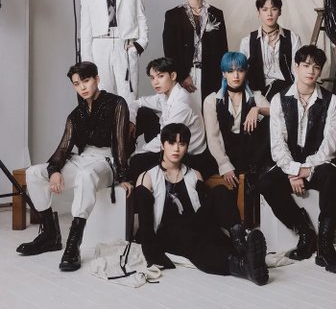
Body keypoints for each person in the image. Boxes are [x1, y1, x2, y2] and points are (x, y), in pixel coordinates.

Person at [16, 62, 133, 271]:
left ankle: (73, 244)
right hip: (82, 159)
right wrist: (54, 171)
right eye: (77, 84)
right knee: (34, 173)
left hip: (107, 161)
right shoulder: (76, 115)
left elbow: (120, 142)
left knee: (86, 175)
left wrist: (124, 176)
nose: (82, 87)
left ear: (97, 79)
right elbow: (64, 147)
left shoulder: (117, 103)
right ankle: (50, 235)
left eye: (86, 81)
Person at [135, 123, 269, 285]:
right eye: (171, 143)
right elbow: (145, 224)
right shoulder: (147, 177)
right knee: (194, 241)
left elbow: (206, 211)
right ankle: (242, 265)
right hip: (168, 232)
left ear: (186, 147)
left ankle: (241, 244)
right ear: (162, 145)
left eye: (181, 143)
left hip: (194, 225)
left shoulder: (194, 174)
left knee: (220, 191)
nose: (176, 148)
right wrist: (152, 255)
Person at [256, 45, 336, 274]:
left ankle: (325, 246)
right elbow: (277, 144)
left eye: (316, 67)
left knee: (332, 176)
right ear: (296, 67)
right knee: (266, 182)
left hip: (318, 164)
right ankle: (305, 231)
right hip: (289, 164)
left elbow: (331, 143)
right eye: (306, 65)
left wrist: (307, 168)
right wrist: (293, 170)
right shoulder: (279, 99)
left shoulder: (331, 100)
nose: (311, 71)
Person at [80, 0, 148, 103]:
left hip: (124, 44)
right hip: (99, 45)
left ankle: (128, 120)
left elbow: (141, 17)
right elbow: (85, 29)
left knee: (128, 96)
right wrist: (87, 62)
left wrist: (140, 44)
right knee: (102, 96)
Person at [128, 57, 217, 181]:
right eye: (152, 78)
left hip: (188, 155)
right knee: (143, 113)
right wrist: (131, 121)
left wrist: (138, 153)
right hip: (171, 142)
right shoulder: (165, 95)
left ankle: (132, 179)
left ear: (173, 76)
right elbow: (138, 102)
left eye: (160, 76)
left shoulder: (182, 104)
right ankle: (122, 154)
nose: (155, 82)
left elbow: (165, 139)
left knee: (136, 162)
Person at [163, 0, 228, 108]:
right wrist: (182, 76)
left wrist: (223, 77)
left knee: (210, 113)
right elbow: (169, 50)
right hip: (185, 72)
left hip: (211, 74)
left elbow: (223, 49)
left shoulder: (216, 13)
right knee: (187, 113)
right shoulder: (173, 15)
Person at [203, 52, 271, 188]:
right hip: (222, 153)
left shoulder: (255, 96)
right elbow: (213, 137)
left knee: (270, 122)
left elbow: (278, 112)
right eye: (230, 71)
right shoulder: (212, 100)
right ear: (223, 73)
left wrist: (257, 109)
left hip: (250, 153)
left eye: (240, 70)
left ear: (246, 72)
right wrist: (224, 165)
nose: (236, 76)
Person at [239, 0, 301, 101]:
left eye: (274, 9)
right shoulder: (247, 41)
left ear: (280, 12)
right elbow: (241, 72)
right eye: (264, 9)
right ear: (258, 13)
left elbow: (297, 70)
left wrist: (296, 93)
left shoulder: (293, 38)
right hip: (257, 91)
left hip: (287, 89)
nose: (270, 14)